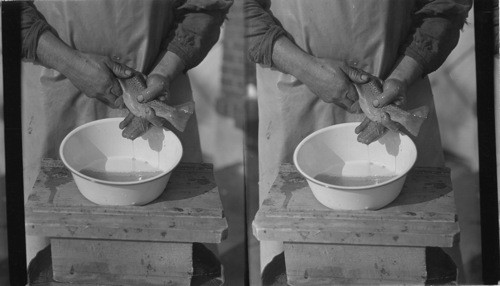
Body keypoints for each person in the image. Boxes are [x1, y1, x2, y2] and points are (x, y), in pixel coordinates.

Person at [245, 0, 472, 283]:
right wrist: (305, 68)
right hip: (295, 96)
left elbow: (447, 6)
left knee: (414, 260)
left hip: (397, 84)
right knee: (300, 263)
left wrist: (403, 74)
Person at [20, 0, 232, 276]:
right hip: (56, 94)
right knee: (58, 265)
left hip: (158, 82)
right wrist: (70, 63)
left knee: (176, 262)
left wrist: (165, 70)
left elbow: (206, 7)